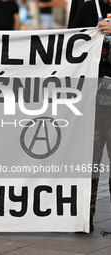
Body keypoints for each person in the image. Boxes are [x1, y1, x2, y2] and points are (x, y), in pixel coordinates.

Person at [70, 0, 111, 232]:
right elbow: (69, 46)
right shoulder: (87, 8)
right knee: (88, 163)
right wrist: (92, 49)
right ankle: (85, 218)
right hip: (92, 99)